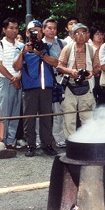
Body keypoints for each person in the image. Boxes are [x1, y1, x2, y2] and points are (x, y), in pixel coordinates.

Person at [13, 20, 59, 157]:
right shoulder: (21, 47)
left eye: (38, 30)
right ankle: (30, 145)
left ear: (42, 32)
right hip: (29, 88)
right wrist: (23, 52)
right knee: (29, 118)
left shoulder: (47, 46)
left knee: (46, 117)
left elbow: (56, 63)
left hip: (46, 87)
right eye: (32, 31)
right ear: (27, 33)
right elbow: (16, 67)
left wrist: (42, 54)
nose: (35, 33)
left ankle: (47, 144)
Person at [57, 23, 100, 138]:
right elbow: (59, 67)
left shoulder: (92, 49)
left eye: (84, 33)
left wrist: (92, 73)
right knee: (69, 117)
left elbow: (97, 67)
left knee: (88, 117)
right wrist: (71, 72)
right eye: (77, 33)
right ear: (72, 36)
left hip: (87, 85)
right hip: (70, 86)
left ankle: (88, 141)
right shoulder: (67, 48)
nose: (81, 36)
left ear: (87, 35)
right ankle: (71, 142)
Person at [0, 17, 23, 149]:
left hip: (18, 81)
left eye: (16, 28)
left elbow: (24, 65)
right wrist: (12, 79)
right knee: (4, 112)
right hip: (5, 81)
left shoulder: (21, 45)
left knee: (15, 113)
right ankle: (2, 141)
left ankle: (11, 141)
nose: (14, 31)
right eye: (11, 28)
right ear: (4, 30)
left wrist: (18, 78)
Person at [41, 18, 67, 148]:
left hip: (60, 79)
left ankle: (59, 138)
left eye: (54, 28)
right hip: (44, 81)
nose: (52, 31)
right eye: (49, 28)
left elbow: (67, 60)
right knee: (42, 111)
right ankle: (40, 140)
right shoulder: (39, 44)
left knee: (59, 111)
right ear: (43, 29)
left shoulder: (63, 43)